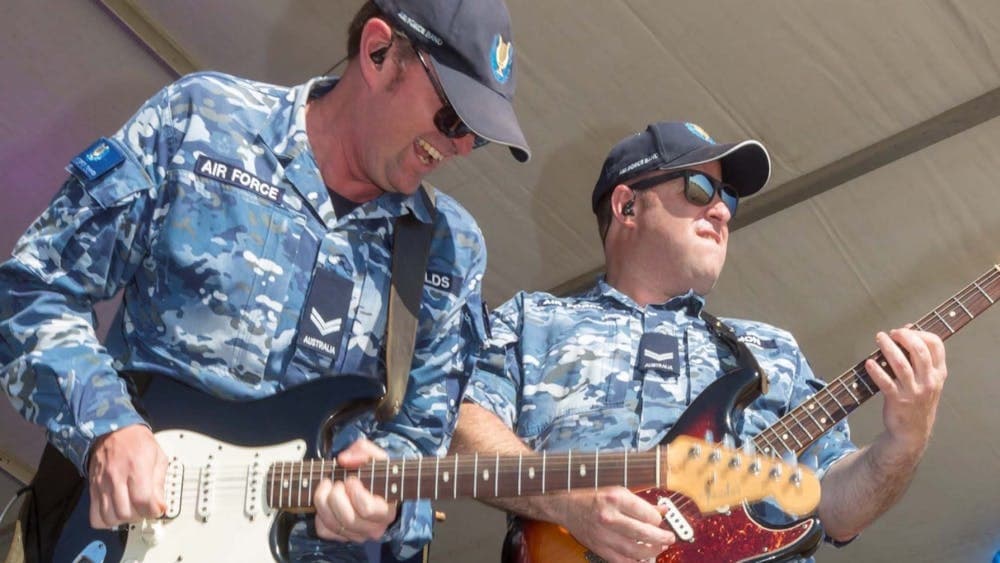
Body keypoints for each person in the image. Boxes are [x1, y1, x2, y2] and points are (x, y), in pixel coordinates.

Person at [0, 0, 530, 560]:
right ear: (379, 52)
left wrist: (391, 505)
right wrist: (106, 427)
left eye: (478, 136)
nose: (461, 146)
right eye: (453, 117)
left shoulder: (451, 251)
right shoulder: (201, 120)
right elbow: (35, 289)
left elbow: (422, 450)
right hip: (127, 535)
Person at [452, 121, 947, 563]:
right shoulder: (534, 320)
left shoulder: (771, 350)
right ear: (627, 205)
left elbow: (837, 509)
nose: (723, 212)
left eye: (728, 198)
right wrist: (568, 503)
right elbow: (459, 430)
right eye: (700, 187)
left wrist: (905, 440)